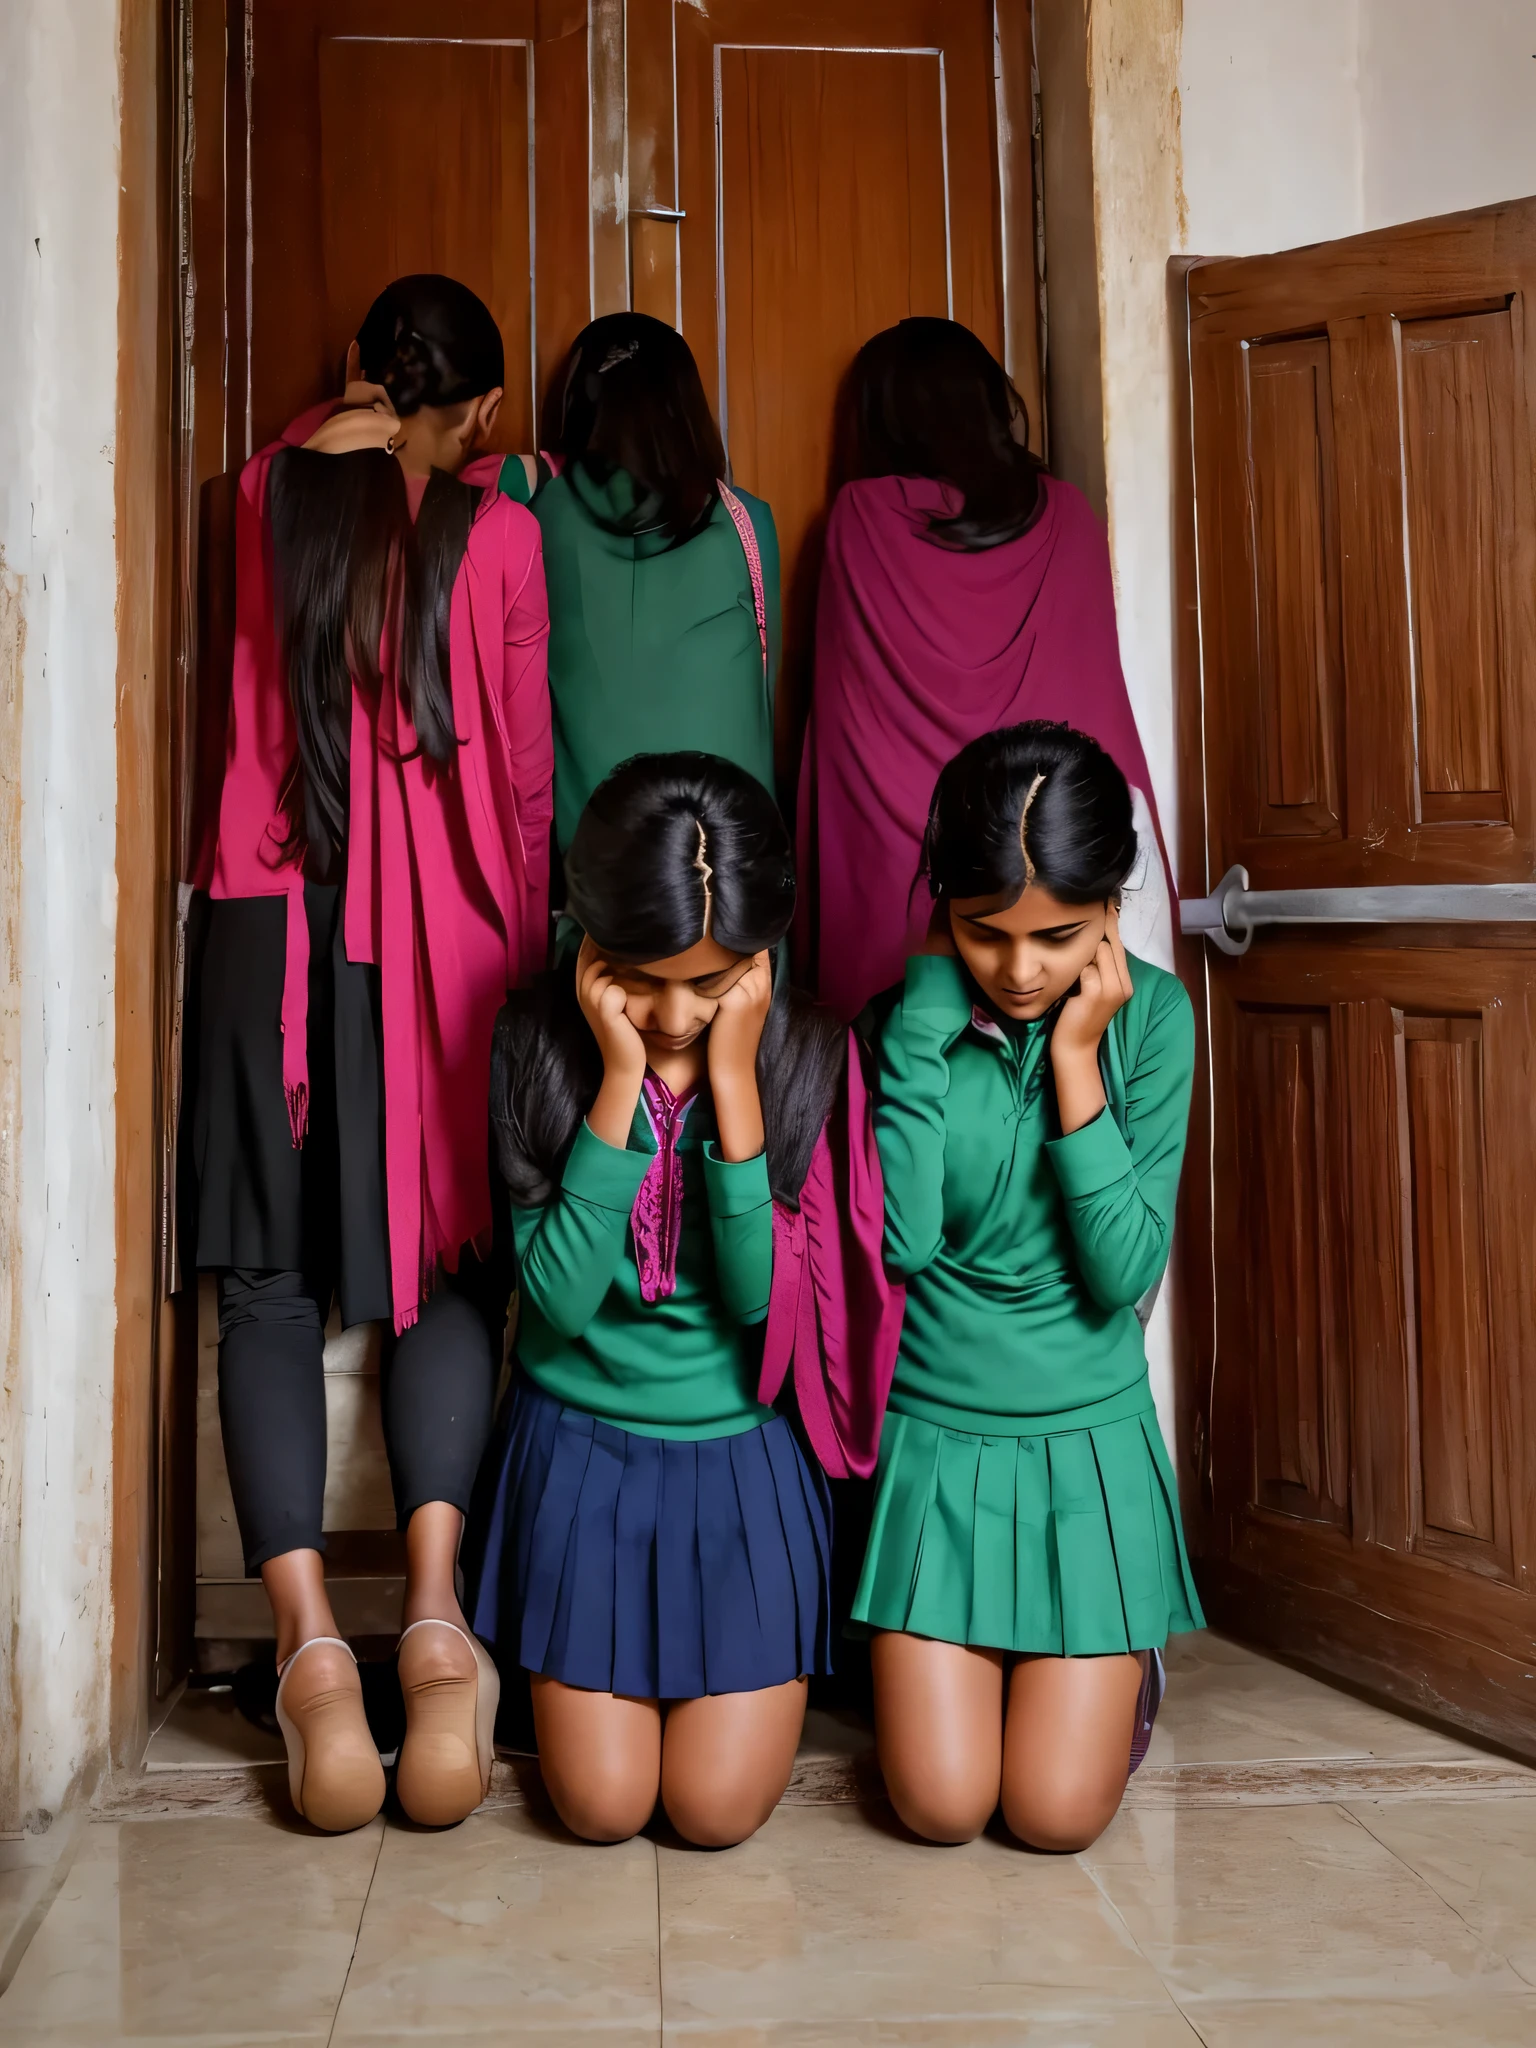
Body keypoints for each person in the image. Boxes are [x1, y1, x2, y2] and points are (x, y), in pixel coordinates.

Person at [191, 274, 553, 1833]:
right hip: (443, 957)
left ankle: (307, 1656)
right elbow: (528, 787)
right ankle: (432, 1620)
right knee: (450, 1272)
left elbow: (301, 469)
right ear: (476, 413)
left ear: (355, 371)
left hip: (269, 935)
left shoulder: (265, 499)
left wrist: (324, 416)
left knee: (267, 1287)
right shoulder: (506, 536)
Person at [471, 752, 887, 1849]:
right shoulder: (531, 1044)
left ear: (760, 956)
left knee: (711, 1811)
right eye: (641, 973)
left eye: (710, 982)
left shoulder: (807, 1054)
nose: (672, 1010)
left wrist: (737, 1090)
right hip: (580, 1462)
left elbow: (760, 1305)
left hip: (743, 1465)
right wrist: (616, 1084)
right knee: (603, 1808)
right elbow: (554, 1303)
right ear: (588, 936)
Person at [851, 721, 1202, 1852]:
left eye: (1057, 934)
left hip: (1086, 1451)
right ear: (943, 907)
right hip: (936, 1445)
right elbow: (900, 1242)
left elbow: (1122, 1270)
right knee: (943, 1806)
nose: (1018, 967)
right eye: (983, 931)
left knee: (1053, 1816)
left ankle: (1111, 1660)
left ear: (1112, 901)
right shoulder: (905, 1021)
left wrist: (1074, 1063)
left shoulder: (1155, 1023)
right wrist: (916, 1025)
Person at [797, 316, 1172, 1022]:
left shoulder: (862, 517)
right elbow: (1095, 703)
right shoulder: (1069, 514)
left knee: (913, 1116)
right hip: (1070, 885)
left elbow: (846, 746)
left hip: (909, 894)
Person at [313, 310, 780, 852]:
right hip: (734, 888)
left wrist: (546, 466)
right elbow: (763, 700)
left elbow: (438, 488)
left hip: (593, 898)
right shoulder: (749, 521)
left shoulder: (535, 509)